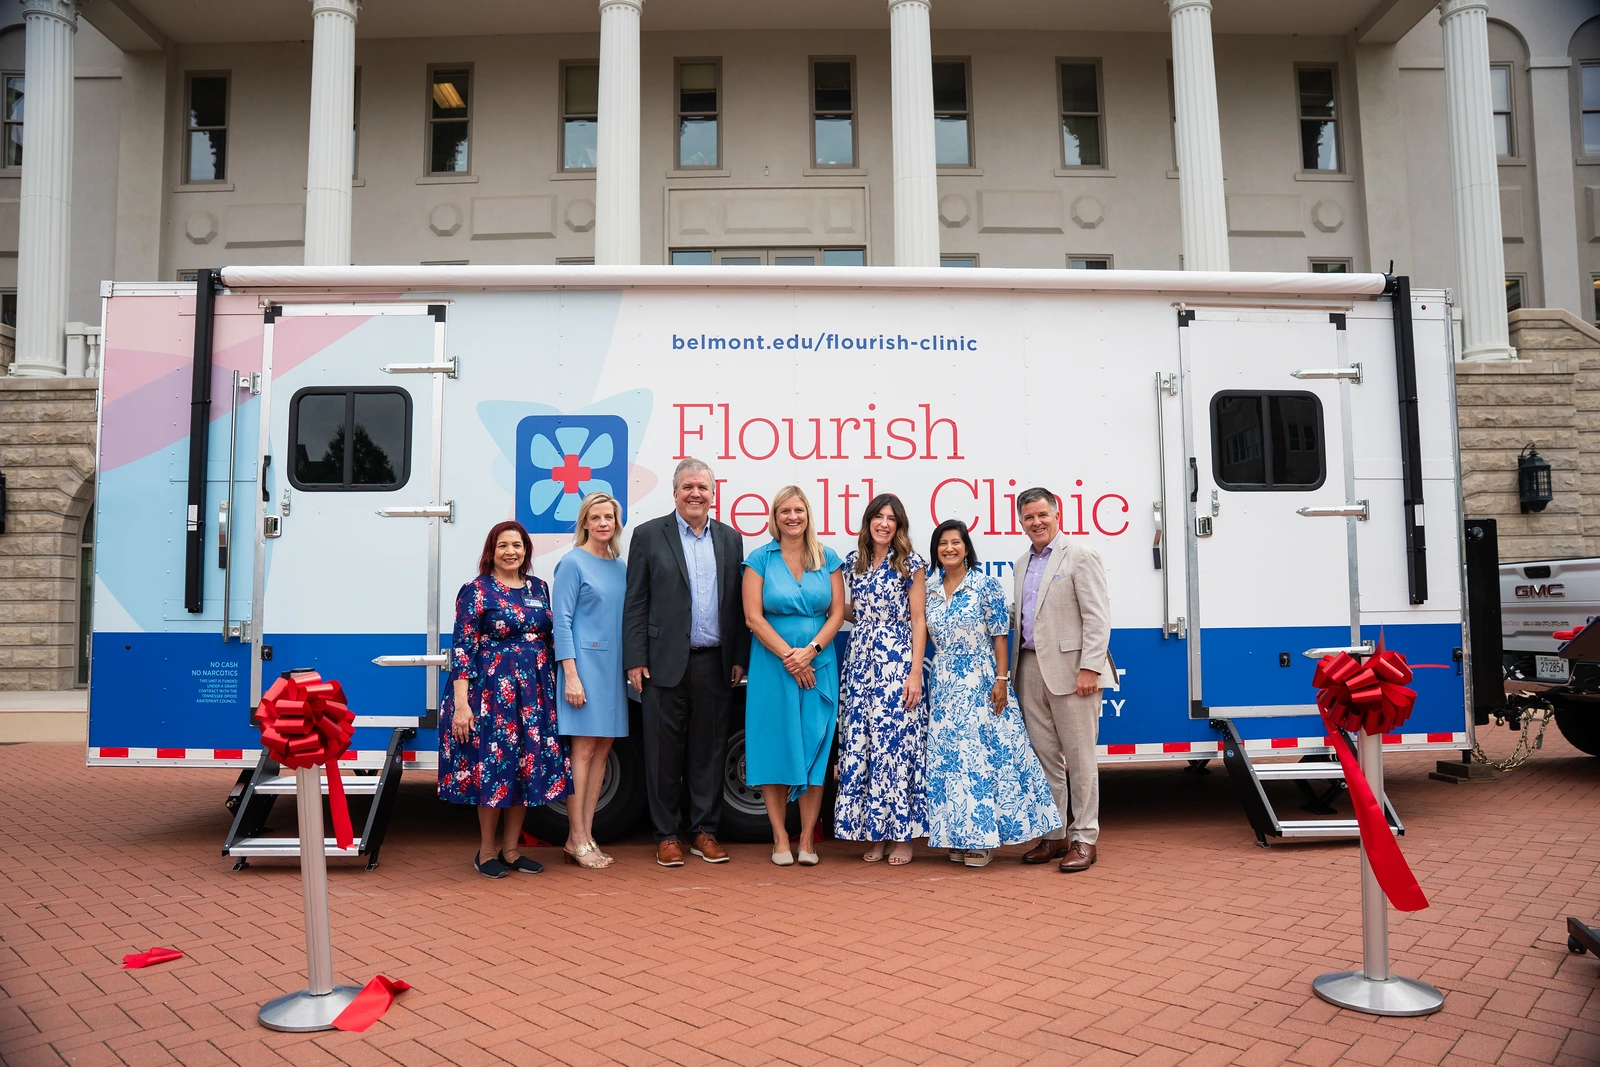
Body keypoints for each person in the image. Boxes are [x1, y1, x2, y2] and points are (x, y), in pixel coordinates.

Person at [623, 458, 750, 867]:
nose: (696, 494)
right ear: (674, 492)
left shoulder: (731, 539)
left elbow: (736, 604)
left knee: (710, 751)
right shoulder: (647, 535)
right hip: (662, 663)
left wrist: (739, 657)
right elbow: (636, 601)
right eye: (688, 487)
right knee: (662, 752)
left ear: (713, 494)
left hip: (715, 662)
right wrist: (635, 658)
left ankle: (704, 832)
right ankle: (666, 835)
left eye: (703, 487)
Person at [923, 519, 1060, 867]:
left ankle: (983, 840)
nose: (949, 548)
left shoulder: (985, 585)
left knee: (984, 759)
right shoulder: (928, 587)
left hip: (981, 679)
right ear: (936, 550)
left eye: (956, 542)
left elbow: (1001, 635)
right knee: (951, 761)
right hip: (943, 684)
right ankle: (957, 835)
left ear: (966, 548)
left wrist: (1001, 680)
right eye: (942, 543)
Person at [438, 520, 571, 878]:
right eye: (503, 546)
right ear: (491, 552)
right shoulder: (476, 590)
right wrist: (462, 705)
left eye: (518, 545)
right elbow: (462, 648)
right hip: (490, 695)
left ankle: (512, 850)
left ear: (526, 550)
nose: (511, 551)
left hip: (533, 695)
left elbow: (554, 636)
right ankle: (487, 851)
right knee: (494, 770)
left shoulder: (540, 588)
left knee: (525, 770)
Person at [1011, 486, 1114, 873]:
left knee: (1081, 758)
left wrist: (1090, 667)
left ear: (1058, 516)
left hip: (1074, 672)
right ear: (1020, 523)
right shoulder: (1022, 562)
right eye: (1028, 517)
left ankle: (1085, 838)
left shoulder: (1081, 556)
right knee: (1045, 758)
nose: (1036, 522)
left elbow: (1097, 615)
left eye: (1042, 515)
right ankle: (1054, 835)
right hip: (1031, 667)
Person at [742, 485, 846, 866]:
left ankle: (807, 840)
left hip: (819, 664)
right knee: (775, 745)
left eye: (798, 510)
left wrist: (811, 653)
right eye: (784, 510)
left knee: (814, 748)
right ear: (774, 516)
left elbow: (837, 613)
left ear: (808, 514)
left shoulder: (828, 557)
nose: (792, 517)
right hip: (773, 665)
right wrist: (790, 657)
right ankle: (780, 838)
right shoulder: (758, 558)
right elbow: (753, 617)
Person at [832, 493, 929, 866]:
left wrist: (915, 672)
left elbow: (918, 620)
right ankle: (876, 832)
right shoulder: (852, 563)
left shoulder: (911, 564)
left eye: (891, 518)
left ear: (899, 524)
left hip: (898, 664)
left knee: (896, 746)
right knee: (864, 746)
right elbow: (846, 611)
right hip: (859, 664)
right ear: (868, 521)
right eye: (878, 516)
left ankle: (902, 837)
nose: (884, 523)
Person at [552, 492, 629, 870]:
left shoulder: (620, 566)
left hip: (612, 669)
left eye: (609, 518)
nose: (603, 523)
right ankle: (576, 837)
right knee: (582, 751)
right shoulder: (572, 563)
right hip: (582, 668)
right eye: (596, 517)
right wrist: (570, 676)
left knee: (603, 750)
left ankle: (587, 833)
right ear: (584, 522)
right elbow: (561, 621)